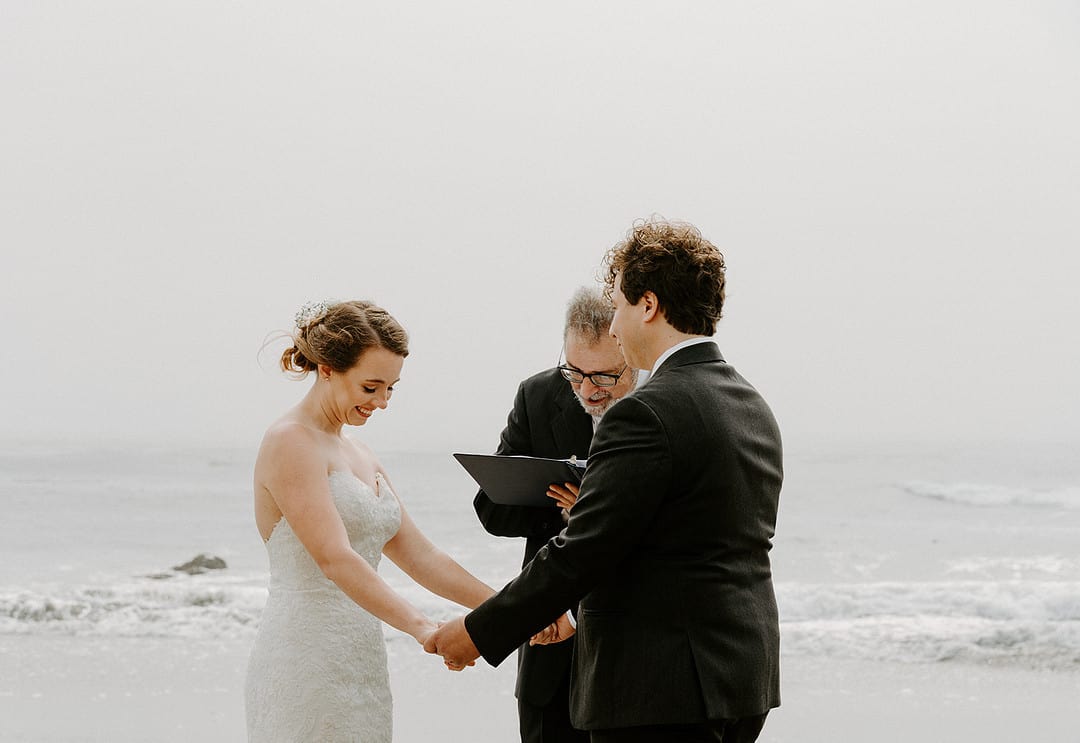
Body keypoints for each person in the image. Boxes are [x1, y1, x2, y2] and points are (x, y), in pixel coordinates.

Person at [427, 219, 784, 743]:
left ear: (648, 305)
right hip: (743, 678)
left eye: (617, 304)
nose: (613, 325)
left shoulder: (645, 412)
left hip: (660, 689)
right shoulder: (750, 404)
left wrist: (478, 632)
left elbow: (583, 552)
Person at [245, 299, 495, 743]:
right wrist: (425, 628)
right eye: (370, 387)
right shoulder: (290, 441)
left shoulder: (359, 452)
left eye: (391, 389)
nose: (381, 402)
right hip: (305, 660)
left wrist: (505, 608)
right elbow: (335, 558)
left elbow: (421, 555)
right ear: (326, 369)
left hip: (361, 663)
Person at [473, 287, 638, 743]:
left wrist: (595, 508)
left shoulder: (665, 402)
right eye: (574, 372)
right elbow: (490, 511)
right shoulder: (539, 395)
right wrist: (566, 511)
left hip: (636, 649)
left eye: (603, 377)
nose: (586, 390)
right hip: (549, 641)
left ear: (632, 352)